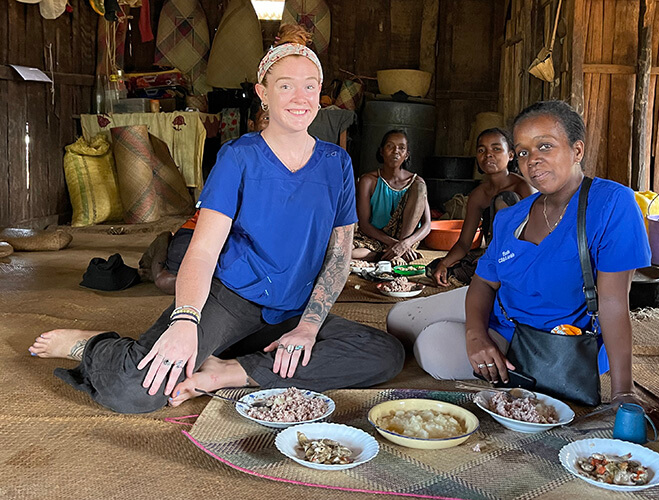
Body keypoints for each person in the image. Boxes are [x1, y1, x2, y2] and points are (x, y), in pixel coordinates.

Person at [28, 25, 405, 414]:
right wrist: (186, 321)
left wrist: (308, 326)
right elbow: (203, 249)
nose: (300, 98)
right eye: (285, 86)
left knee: (384, 354)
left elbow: (340, 254)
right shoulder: (239, 157)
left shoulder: (336, 163)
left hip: (292, 309)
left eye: (310, 86)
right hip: (230, 301)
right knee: (135, 390)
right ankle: (95, 346)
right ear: (263, 92)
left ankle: (228, 371)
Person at [387, 100, 659, 431]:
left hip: (554, 341)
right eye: (523, 152)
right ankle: (471, 333)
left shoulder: (610, 204)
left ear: (577, 150)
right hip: (502, 308)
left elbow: (612, 302)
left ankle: (511, 365)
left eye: (545, 146)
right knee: (397, 319)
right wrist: (475, 333)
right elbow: (483, 283)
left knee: (431, 348)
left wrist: (623, 392)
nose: (532, 160)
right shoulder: (513, 216)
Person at [139, 98, 271, 295]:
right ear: (251, 125)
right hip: (204, 231)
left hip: (244, 237)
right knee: (171, 280)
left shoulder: (293, 158)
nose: (275, 125)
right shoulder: (235, 154)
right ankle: (163, 251)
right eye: (267, 118)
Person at [427, 128, 533, 286]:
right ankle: (486, 275)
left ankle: (494, 276)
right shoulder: (478, 194)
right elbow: (464, 243)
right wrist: (445, 263)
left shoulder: (523, 188)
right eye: (481, 150)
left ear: (511, 155)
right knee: (435, 268)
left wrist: (494, 256)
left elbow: (534, 237)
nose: (488, 154)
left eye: (496, 149)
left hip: (521, 257)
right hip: (490, 255)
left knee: (504, 199)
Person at [351, 130, 431, 264]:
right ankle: (391, 255)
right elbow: (364, 225)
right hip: (375, 238)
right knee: (348, 252)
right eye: (390, 146)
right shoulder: (368, 181)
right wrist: (395, 245)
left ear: (407, 155)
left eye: (401, 148)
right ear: (381, 151)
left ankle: (393, 254)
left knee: (420, 187)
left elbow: (427, 225)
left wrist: (405, 244)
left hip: (406, 240)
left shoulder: (416, 182)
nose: (396, 151)